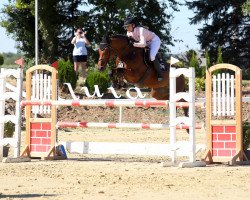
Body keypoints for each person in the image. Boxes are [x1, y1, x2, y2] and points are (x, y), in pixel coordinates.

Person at [123, 16, 163, 81]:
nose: (127, 28)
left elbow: (143, 44)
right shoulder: (128, 33)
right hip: (145, 43)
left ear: (133, 25)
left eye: (128, 26)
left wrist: (133, 44)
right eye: (126, 27)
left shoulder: (141, 30)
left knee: (152, 56)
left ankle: (159, 73)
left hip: (154, 41)